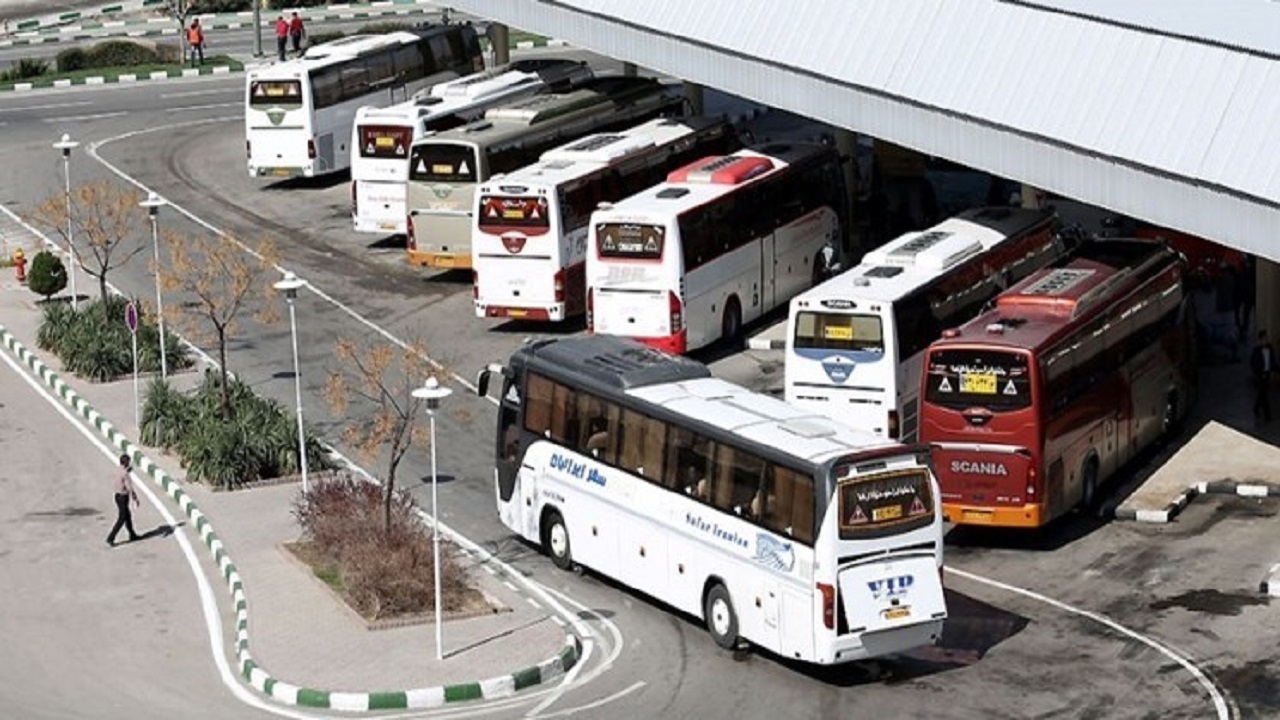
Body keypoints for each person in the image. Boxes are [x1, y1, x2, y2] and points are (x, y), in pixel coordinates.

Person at [107, 454, 141, 546]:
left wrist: (127, 470)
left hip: (117, 496)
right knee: (122, 518)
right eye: (128, 462)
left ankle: (132, 534)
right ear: (126, 462)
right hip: (123, 497)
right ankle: (111, 537)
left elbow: (120, 475)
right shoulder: (125, 474)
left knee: (127, 516)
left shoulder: (118, 470)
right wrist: (135, 498)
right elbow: (129, 488)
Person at [1251, 329, 1275, 423]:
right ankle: (1267, 414)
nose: (1265, 340)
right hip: (1260, 374)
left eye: (1266, 338)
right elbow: (1253, 363)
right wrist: (1257, 373)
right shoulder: (1256, 350)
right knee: (1264, 394)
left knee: (1262, 393)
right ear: (1260, 340)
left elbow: (1272, 361)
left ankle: (1256, 408)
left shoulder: (1270, 348)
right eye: (1264, 338)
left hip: (1267, 373)